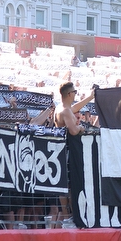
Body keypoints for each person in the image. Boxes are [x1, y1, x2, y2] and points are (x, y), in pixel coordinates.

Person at [53, 81, 94, 229]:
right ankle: (69, 216)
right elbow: (73, 131)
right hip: (68, 151)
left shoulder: (60, 108)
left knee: (65, 185)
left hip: (61, 151)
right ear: (70, 94)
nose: (76, 95)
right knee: (70, 186)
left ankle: (66, 217)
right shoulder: (65, 111)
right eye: (75, 92)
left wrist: (90, 97)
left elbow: (74, 108)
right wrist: (82, 127)